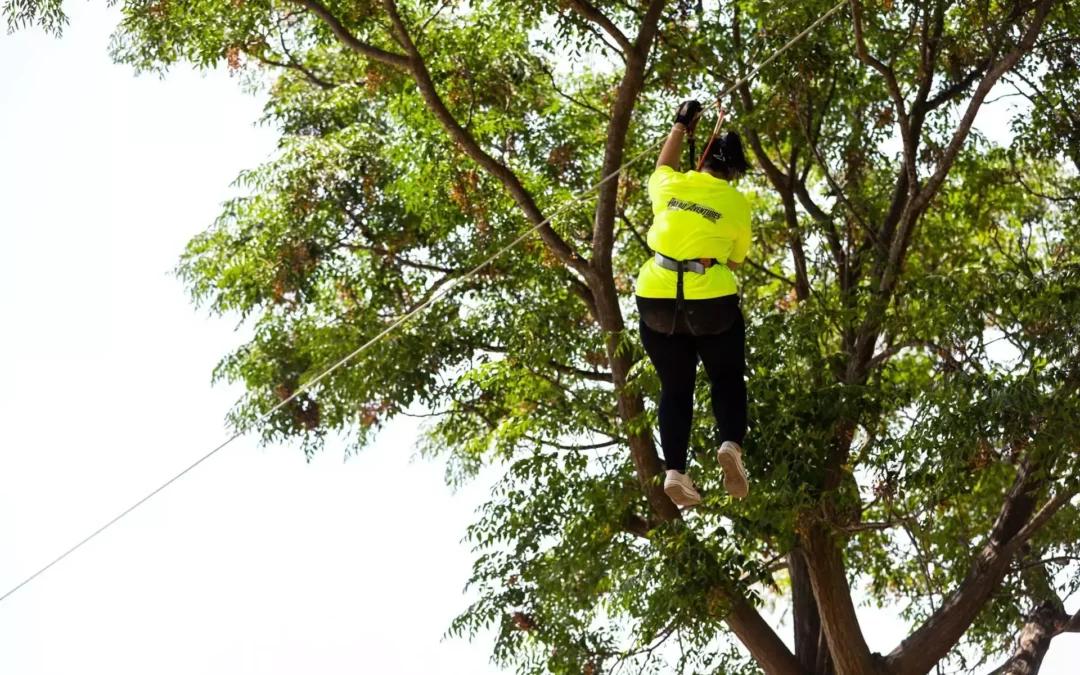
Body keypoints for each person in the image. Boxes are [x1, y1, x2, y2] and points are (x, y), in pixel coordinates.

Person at [635, 99, 753, 507]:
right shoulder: (737, 203)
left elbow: (661, 166)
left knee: (675, 387)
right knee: (726, 377)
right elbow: (736, 260)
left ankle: (675, 472)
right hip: (711, 303)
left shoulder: (669, 185)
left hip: (656, 299)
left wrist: (681, 125)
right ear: (734, 173)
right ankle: (730, 445)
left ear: (701, 160)